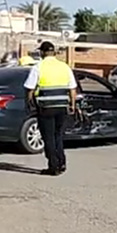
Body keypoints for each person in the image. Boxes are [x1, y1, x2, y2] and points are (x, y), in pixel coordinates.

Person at [23, 41, 78, 176]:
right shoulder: (64, 67)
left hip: (46, 108)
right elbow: (72, 89)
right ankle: (62, 162)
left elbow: (29, 88)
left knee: (48, 137)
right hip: (62, 107)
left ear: (42, 52)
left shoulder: (39, 67)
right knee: (58, 135)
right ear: (54, 52)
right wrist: (72, 105)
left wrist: (29, 102)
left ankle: (53, 166)